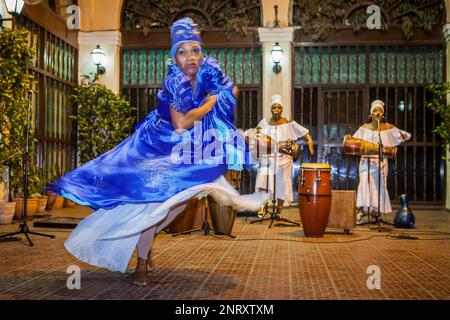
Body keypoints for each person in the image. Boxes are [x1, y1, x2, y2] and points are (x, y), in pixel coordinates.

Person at [46, 17, 269, 286]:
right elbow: (181, 123)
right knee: (155, 206)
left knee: (178, 205)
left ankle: (145, 246)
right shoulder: (174, 83)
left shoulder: (208, 70)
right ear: (174, 57)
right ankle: (141, 262)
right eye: (182, 52)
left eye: (195, 50)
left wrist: (221, 93)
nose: (190, 58)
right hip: (157, 146)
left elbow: (230, 89)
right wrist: (211, 102)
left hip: (186, 149)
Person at [254, 95, 314, 215]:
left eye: (279, 107)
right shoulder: (264, 122)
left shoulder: (288, 123)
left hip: (284, 157)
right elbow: (256, 135)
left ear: (282, 109)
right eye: (274, 107)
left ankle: (278, 211)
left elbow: (304, 131)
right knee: (263, 177)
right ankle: (262, 205)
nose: (276, 109)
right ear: (271, 109)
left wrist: (310, 142)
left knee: (282, 183)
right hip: (269, 155)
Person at [353, 99, 411, 224]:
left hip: (380, 163)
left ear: (382, 114)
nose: (377, 113)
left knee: (379, 186)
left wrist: (403, 135)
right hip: (365, 162)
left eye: (379, 111)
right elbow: (354, 142)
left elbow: (406, 135)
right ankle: (361, 210)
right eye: (375, 111)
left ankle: (375, 212)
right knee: (364, 183)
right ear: (371, 114)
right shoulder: (363, 128)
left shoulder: (388, 128)